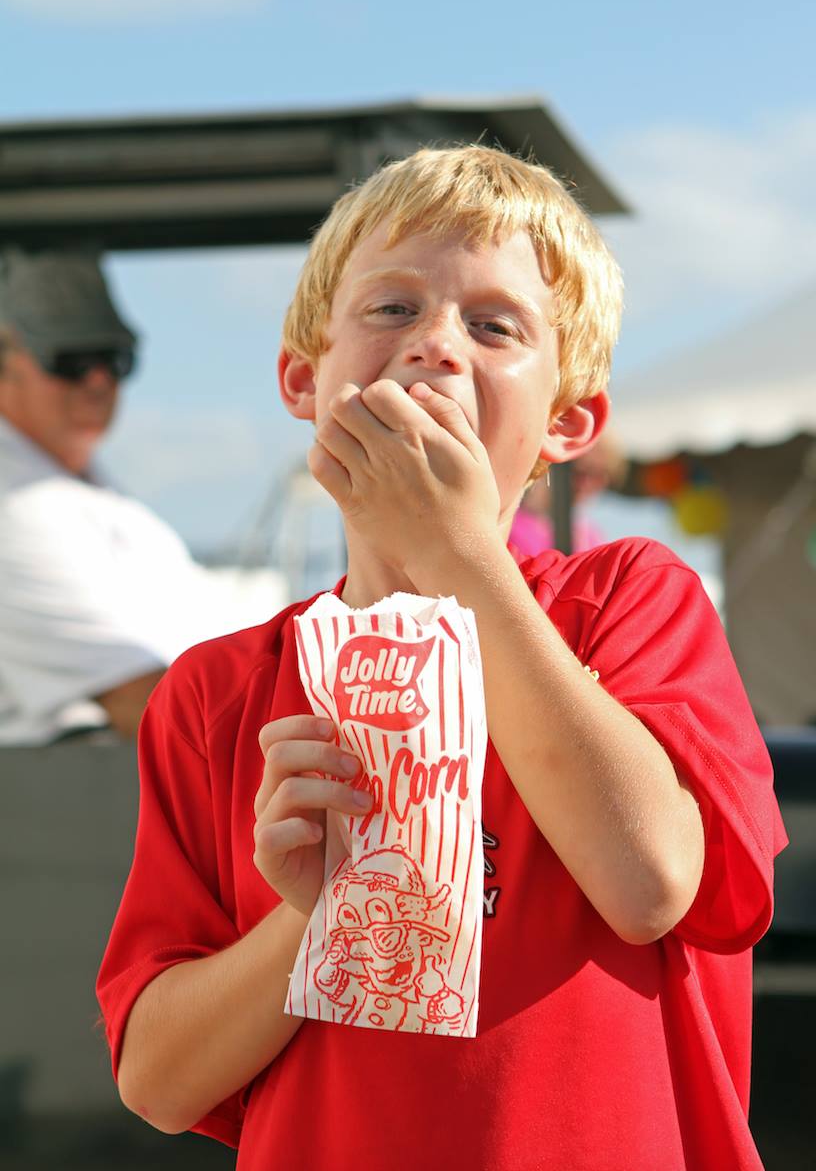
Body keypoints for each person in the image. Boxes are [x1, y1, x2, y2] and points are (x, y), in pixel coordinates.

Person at [96, 148, 786, 1170]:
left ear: (568, 425)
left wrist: (459, 553)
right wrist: (317, 912)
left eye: (495, 325)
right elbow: (155, 1080)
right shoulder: (215, 690)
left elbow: (650, 882)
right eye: (390, 309)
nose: (435, 348)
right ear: (303, 378)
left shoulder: (627, 603)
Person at [0, 248, 286, 744]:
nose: (97, 381)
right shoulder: (16, 512)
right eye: (70, 361)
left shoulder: (91, 493)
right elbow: (144, 703)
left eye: (114, 360)